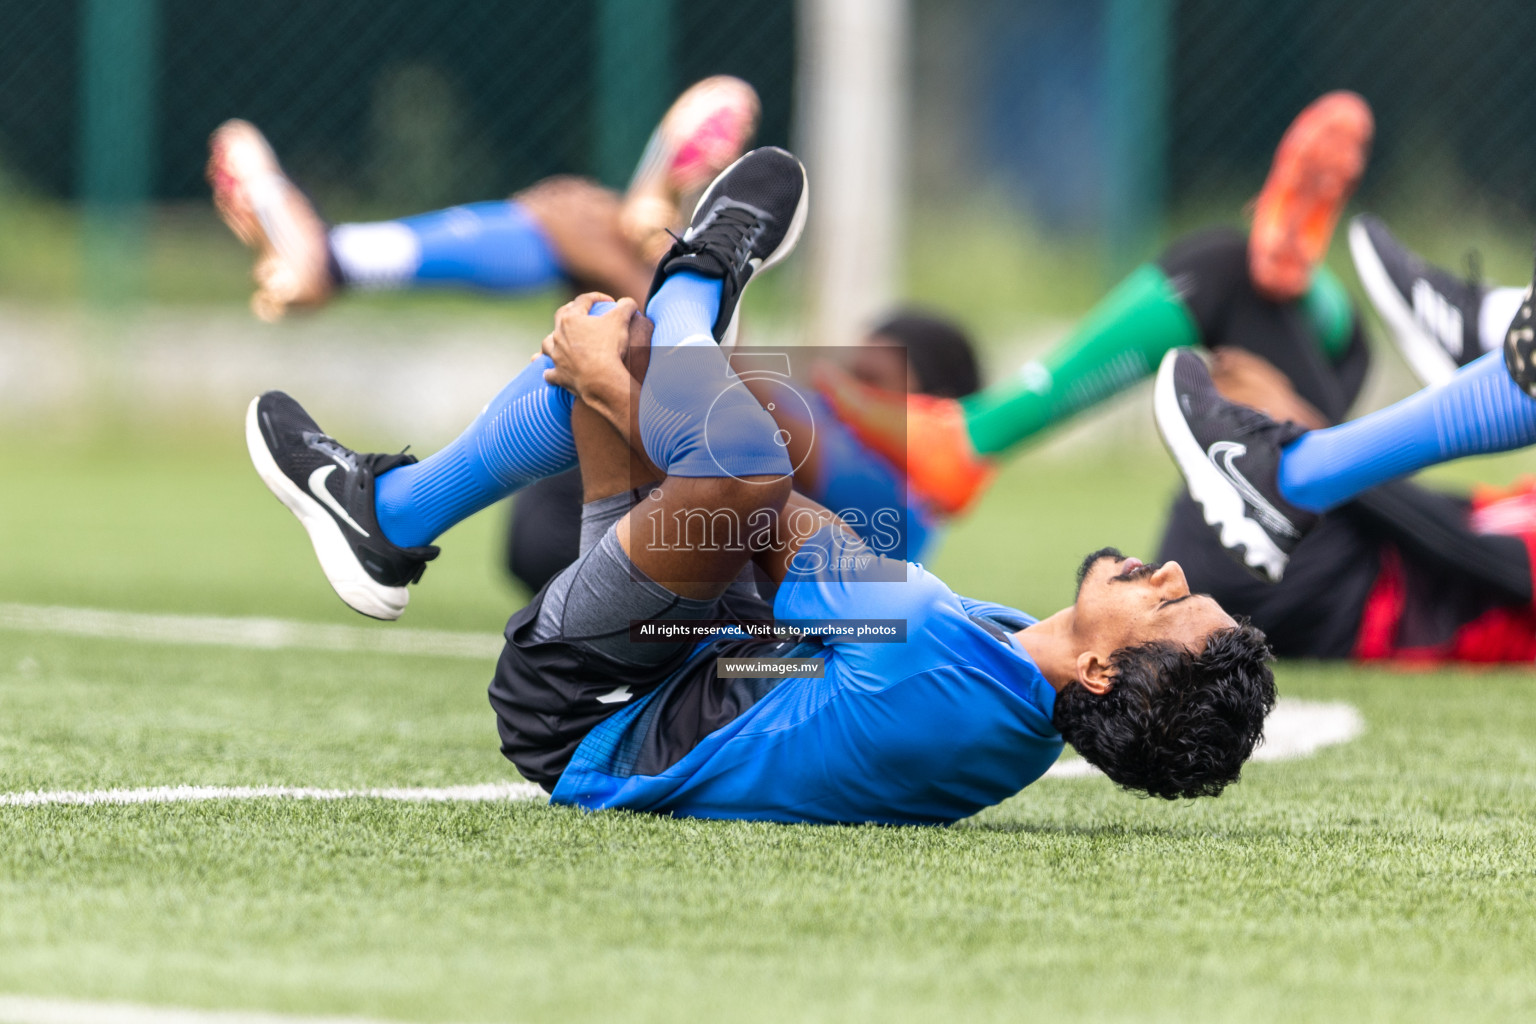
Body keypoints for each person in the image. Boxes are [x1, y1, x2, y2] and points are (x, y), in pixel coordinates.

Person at [244, 147, 1275, 824]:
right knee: (705, 390)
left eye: (1172, 604)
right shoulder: (1013, 703)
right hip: (693, 648)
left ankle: (698, 280)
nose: (1175, 568)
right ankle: (388, 515)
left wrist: (630, 375)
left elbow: (760, 502)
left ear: (1099, 672)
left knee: (731, 439)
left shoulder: (932, 646)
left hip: (593, 711)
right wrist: (639, 379)